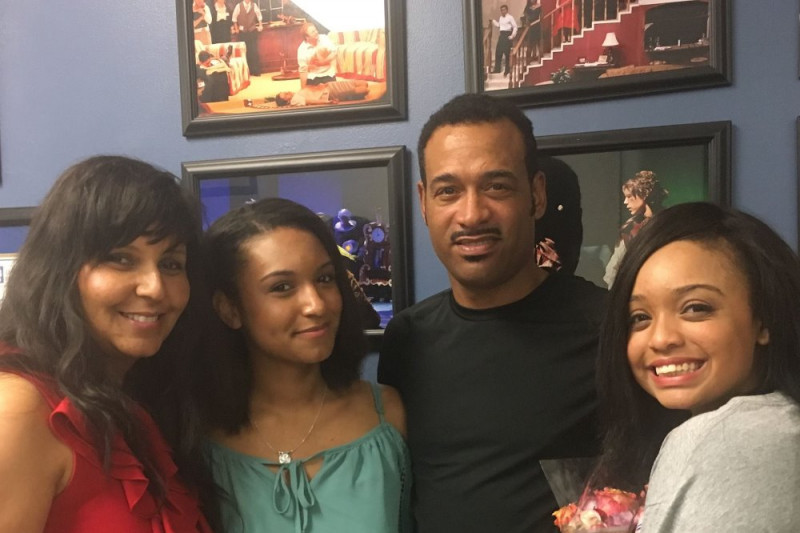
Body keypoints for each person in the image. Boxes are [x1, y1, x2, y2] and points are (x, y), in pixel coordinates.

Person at [378, 93, 606, 533]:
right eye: (448, 191)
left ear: (536, 195)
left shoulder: (609, 328)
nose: (471, 214)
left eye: (496, 186)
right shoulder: (407, 337)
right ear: (424, 202)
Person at [0, 156, 215, 532]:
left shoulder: (135, 400)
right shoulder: (19, 408)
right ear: (60, 269)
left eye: (171, 264)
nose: (155, 288)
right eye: (121, 259)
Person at [199, 198, 412, 533]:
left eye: (325, 279)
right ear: (229, 309)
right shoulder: (195, 438)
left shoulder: (389, 415)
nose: (316, 305)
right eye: (282, 287)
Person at [591, 202, 800, 531]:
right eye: (640, 317)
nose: (661, 338)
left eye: (695, 308)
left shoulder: (728, 438)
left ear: (764, 319)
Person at [603, 170, 668, 288]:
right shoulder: (630, 229)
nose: (625, 202)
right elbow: (613, 268)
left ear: (644, 194)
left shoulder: (669, 221)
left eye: (629, 197)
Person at [297, 22, 338, 88]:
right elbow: (303, 70)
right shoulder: (302, 49)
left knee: (333, 92)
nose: (316, 32)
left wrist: (323, 62)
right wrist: (303, 89)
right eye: (313, 32)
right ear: (307, 37)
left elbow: (334, 52)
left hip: (328, 74)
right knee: (312, 93)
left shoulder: (324, 38)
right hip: (313, 77)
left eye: (316, 30)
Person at [274, 80, 369, 107]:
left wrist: (320, 85)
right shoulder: (294, 100)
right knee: (365, 90)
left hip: (328, 86)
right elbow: (310, 101)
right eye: (285, 95)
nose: (287, 92)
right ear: (287, 102)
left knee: (364, 83)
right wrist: (327, 102)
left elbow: (310, 90)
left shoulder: (296, 95)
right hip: (330, 92)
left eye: (285, 92)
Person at [232, 0, 263, 76]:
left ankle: (256, 71)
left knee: (254, 51)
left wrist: (260, 25)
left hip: (252, 31)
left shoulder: (254, 5)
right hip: (243, 32)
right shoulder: (238, 6)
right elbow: (234, 19)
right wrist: (236, 28)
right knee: (244, 52)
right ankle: (247, 72)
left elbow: (259, 16)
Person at [492, 4, 518, 75]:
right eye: (501, 10)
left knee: (507, 53)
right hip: (502, 35)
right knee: (498, 52)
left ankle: (507, 70)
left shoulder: (510, 17)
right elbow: (499, 25)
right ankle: (497, 69)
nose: (502, 11)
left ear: (507, 10)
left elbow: (515, 27)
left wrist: (512, 36)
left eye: (504, 10)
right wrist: (493, 21)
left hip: (507, 35)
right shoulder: (500, 18)